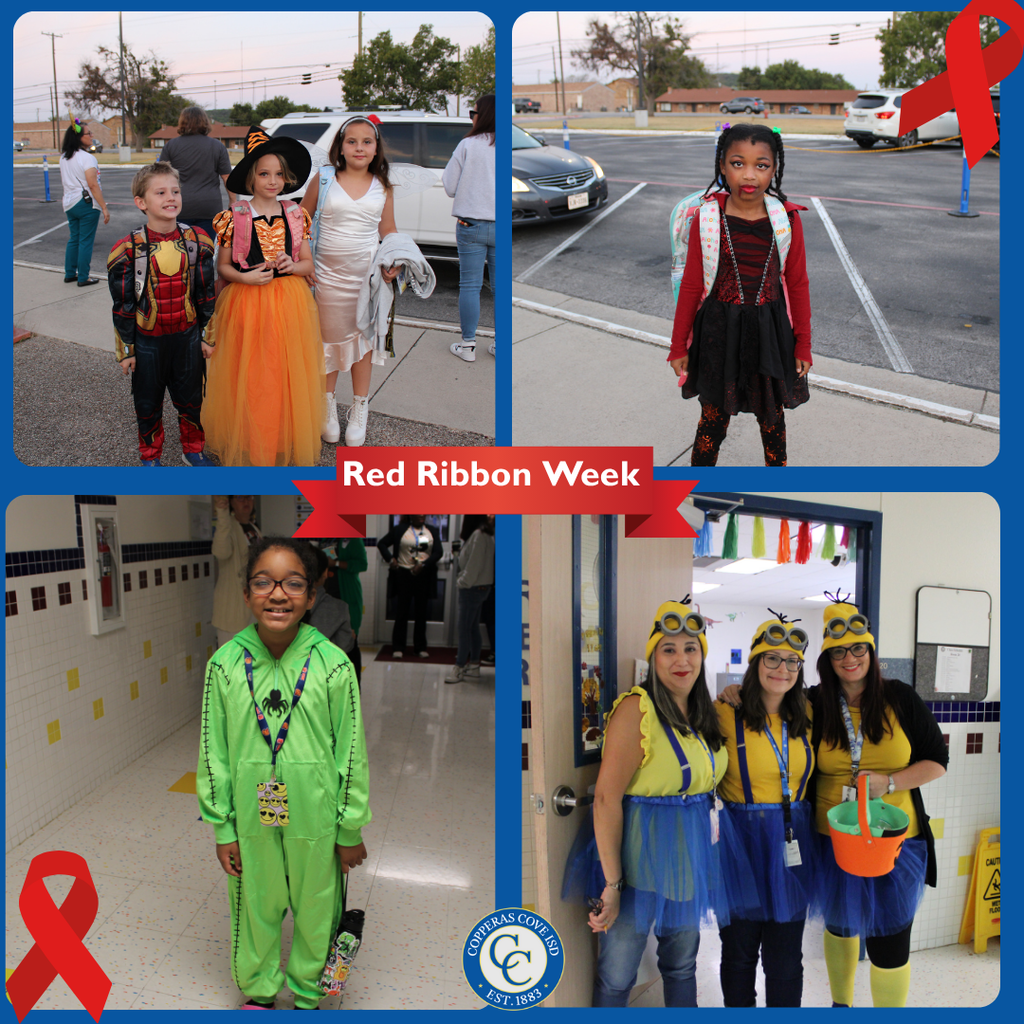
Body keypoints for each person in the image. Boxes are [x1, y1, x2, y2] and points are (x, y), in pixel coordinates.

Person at [197, 538, 369, 1010]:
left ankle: (310, 995)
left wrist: (349, 826)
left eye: (293, 583)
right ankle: (258, 991)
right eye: (263, 582)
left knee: (317, 908)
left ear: (312, 596)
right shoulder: (224, 665)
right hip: (253, 815)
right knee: (256, 902)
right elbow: (213, 752)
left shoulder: (333, 665)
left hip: (318, 818)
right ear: (247, 592)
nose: (277, 594)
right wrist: (223, 826)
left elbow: (351, 752)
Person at [563, 600, 729, 1007]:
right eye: (668, 649)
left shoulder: (706, 713)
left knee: (681, 964)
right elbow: (605, 800)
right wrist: (613, 885)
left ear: (703, 654)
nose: (681, 660)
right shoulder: (637, 708)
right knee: (618, 973)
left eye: (690, 648)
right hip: (637, 861)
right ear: (654, 657)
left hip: (689, 859)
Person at [809, 595, 947, 1008]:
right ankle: (841, 1006)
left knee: (890, 937)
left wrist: (890, 782)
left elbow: (937, 761)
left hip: (895, 843)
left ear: (870, 650)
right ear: (827, 658)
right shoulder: (814, 703)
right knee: (840, 927)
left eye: (857, 648)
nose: (849, 658)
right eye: (838, 651)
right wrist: (732, 694)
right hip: (833, 840)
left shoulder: (900, 698)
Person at [669, 123, 811, 467]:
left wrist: (803, 343)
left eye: (761, 165)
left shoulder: (787, 220)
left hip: (770, 332)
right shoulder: (707, 218)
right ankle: (702, 487)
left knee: (773, 421)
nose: (749, 175)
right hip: (719, 332)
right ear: (722, 165)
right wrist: (678, 346)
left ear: (774, 169)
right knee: (713, 421)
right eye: (737, 163)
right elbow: (690, 285)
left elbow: (798, 283)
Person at [203, 126, 325, 466]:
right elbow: (224, 267)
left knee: (284, 370)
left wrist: (291, 263)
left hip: (290, 302)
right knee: (252, 370)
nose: (272, 181)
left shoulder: (296, 214)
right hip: (248, 302)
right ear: (251, 179)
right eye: (264, 174)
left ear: (287, 179)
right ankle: (250, 434)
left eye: (279, 174)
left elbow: (307, 264)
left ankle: (280, 433)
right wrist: (245, 276)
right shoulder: (236, 217)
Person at [715, 614, 816, 1007]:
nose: (783, 669)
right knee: (739, 953)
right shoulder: (723, 711)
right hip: (740, 843)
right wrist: (727, 691)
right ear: (755, 663)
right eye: (771, 658)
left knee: (786, 957)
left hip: (794, 843)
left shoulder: (809, 714)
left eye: (792, 661)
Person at [106, 162, 216, 467]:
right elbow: (123, 304)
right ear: (141, 203)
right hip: (147, 342)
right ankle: (150, 456)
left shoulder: (198, 242)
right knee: (147, 403)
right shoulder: (127, 250)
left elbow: (206, 294)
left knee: (192, 400)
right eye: (161, 192)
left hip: (187, 339)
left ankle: (192, 449)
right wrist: (126, 350)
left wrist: (207, 336)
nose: (171, 197)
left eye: (175, 191)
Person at [301, 116, 399, 447]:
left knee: (362, 345)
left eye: (366, 142)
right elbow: (300, 220)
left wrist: (394, 259)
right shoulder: (324, 178)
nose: (359, 147)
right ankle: (326, 405)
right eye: (352, 141)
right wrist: (304, 261)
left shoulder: (383, 186)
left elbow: (388, 230)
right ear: (340, 147)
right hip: (325, 278)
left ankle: (360, 406)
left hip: (366, 279)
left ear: (376, 149)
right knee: (326, 343)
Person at [442, 95, 496, 362]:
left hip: (470, 225)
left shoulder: (467, 145)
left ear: (481, 115)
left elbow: (450, 186)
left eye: (474, 111)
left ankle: (468, 345)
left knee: (471, 285)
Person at [158, 105, 236, 241]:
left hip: (180, 206)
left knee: (179, 252)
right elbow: (227, 178)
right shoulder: (217, 146)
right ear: (204, 122)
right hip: (209, 207)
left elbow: (160, 177)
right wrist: (233, 201)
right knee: (205, 250)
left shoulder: (171, 146)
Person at [376, 516, 442, 659]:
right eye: (419, 513)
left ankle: (420, 647)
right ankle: (398, 647)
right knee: (402, 612)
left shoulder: (432, 531)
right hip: (403, 575)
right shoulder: (400, 529)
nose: (422, 516)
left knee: (421, 612)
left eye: (424, 514)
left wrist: (423, 564)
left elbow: (438, 552)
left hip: (423, 575)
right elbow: (381, 543)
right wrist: (390, 559)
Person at [445, 514, 495, 684]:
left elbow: (473, 566)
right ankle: (473, 665)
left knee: (464, 628)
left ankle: (459, 667)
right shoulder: (484, 535)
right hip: (480, 588)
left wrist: (461, 582)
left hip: (472, 588)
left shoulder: (479, 536)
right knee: (472, 628)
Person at [59, 118, 109, 287]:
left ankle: (70, 273)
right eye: (88, 133)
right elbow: (93, 184)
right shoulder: (87, 158)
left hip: (69, 203)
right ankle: (84, 277)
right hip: (86, 203)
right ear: (79, 137)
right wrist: (103, 207)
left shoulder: (64, 158)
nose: (91, 136)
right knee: (86, 240)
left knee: (74, 239)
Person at [306, 544, 361, 687]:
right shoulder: (338, 608)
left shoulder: (280, 605)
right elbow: (343, 647)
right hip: (323, 683)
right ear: (325, 573)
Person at [212, 496, 262, 647]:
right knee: (231, 663)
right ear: (231, 502)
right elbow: (221, 552)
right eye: (240, 498)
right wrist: (222, 513)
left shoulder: (254, 528)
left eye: (249, 497)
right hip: (232, 609)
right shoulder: (228, 527)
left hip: (254, 606)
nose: (246, 501)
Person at [321, 537, 368, 683]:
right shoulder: (324, 540)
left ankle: (352, 689)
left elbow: (362, 564)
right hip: (327, 597)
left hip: (347, 595)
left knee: (350, 641)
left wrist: (335, 563)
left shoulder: (353, 539)